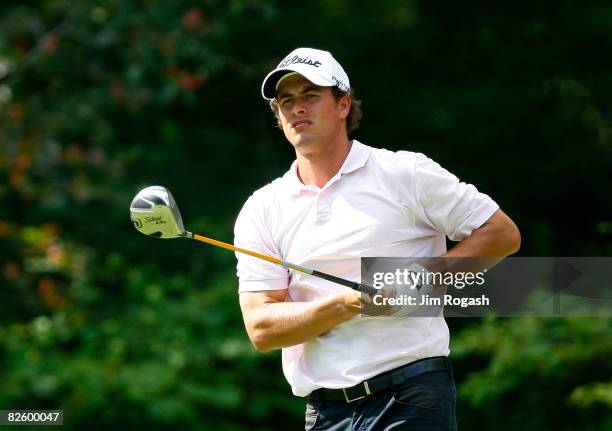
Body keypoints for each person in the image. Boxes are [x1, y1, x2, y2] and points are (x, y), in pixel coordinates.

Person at [234, 47, 520, 431]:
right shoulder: (263, 208)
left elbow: (501, 234)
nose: (297, 108)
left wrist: (420, 279)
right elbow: (262, 329)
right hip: (325, 413)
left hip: (412, 393)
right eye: (287, 101)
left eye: (310, 96)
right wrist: (349, 303)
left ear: (343, 105)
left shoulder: (404, 173)